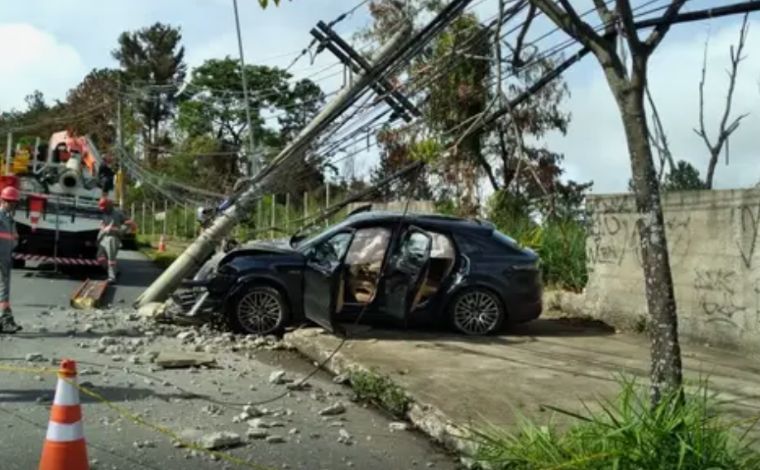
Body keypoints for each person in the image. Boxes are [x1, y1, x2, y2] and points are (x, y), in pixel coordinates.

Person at [0, 187, 21, 333]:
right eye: (10, 202)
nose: (12, 205)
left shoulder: (9, 219)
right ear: (2, 200)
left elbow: (14, 240)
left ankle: (5, 320)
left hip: (5, 259)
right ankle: (5, 320)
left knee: (4, 290)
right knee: (3, 290)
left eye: (14, 203)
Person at [97, 197, 133, 283]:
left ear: (109, 206)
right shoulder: (104, 213)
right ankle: (115, 270)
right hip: (104, 237)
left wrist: (118, 230)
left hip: (112, 238)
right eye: (102, 208)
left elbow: (129, 223)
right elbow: (103, 223)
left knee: (111, 259)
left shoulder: (118, 213)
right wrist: (102, 227)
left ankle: (112, 277)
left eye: (105, 208)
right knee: (100, 258)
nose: (103, 210)